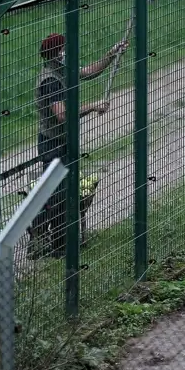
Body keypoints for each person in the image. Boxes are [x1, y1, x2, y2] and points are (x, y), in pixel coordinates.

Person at [31, 33, 128, 258]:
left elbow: (89, 72)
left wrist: (112, 54)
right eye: (63, 49)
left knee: (62, 193)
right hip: (52, 144)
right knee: (55, 195)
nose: (67, 52)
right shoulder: (51, 80)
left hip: (63, 142)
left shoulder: (62, 69)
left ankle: (59, 241)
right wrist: (93, 106)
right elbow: (62, 115)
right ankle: (47, 244)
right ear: (55, 54)